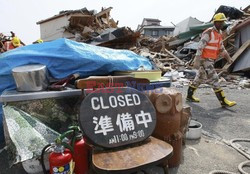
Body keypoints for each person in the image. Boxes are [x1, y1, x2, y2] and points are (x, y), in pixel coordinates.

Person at [186, 13, 236, 107]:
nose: (221, 24)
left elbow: (221, 48)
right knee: (214, 78)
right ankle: (223, 101)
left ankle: (189, 96)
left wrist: (228, 58)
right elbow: (200, 46)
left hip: (210, 59)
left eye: (222, 22)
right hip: (204, 59)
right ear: (215, 22)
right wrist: (197, 60)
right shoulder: (208, 32)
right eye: (220, 22)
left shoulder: (219, 34)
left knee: (199, 78)